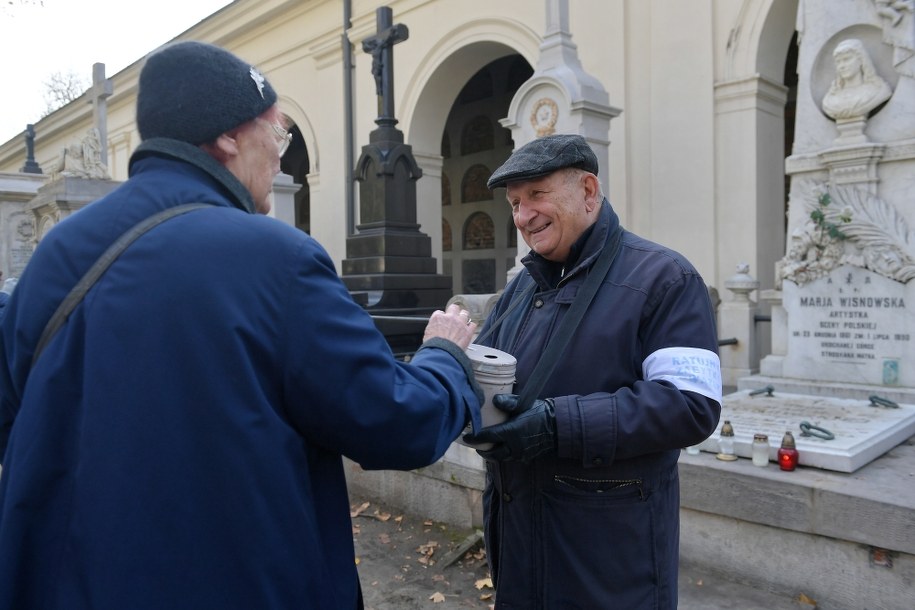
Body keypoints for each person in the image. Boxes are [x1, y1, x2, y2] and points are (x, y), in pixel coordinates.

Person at [0, 41, 482, 610]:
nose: (281, 158)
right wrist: (444, 358)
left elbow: (16, 417)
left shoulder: (58, 255)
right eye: (277, 136)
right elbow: (394, 421)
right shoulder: (275, 258)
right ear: (228, 137)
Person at [464, 134, 722, 608]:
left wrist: (555, 425)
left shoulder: (667, 277)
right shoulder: (523, 285)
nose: (522, 216)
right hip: (518, 543)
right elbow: (483, 363)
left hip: (609, 557)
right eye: (515, 203)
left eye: (537, 195)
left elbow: (691, 406)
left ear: (588, 191)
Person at [822, 38, 893, 120]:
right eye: (838, 62)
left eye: (846, 59)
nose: (842, 66)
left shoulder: (879, 90)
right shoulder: (830, 100)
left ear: (860, 60)